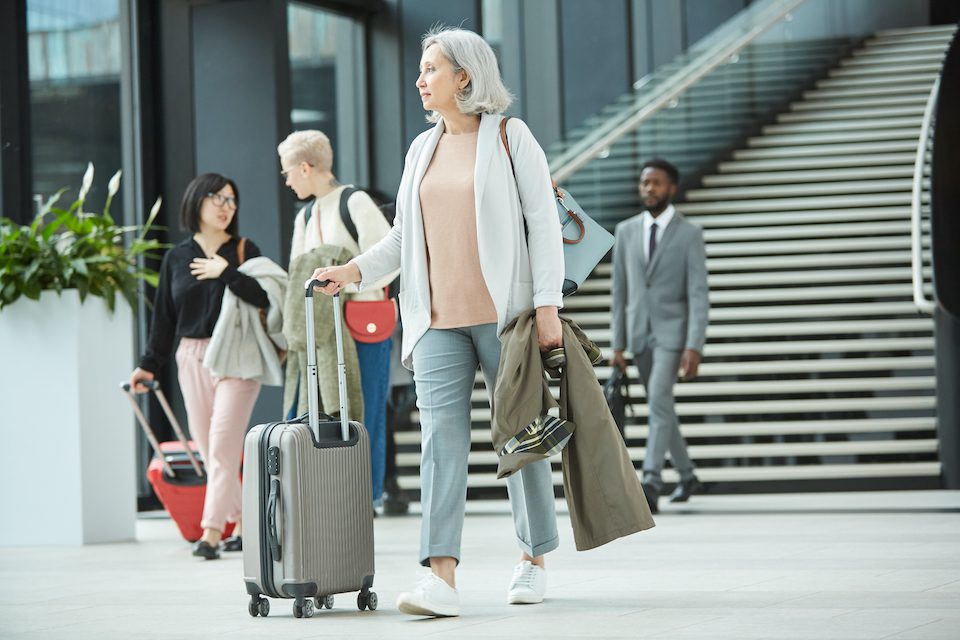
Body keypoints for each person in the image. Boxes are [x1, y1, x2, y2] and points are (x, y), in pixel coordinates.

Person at [311, 26, 565, 617]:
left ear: (465, 77)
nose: (420, 80)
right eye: (422, 70)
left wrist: (548, 305)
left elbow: (544, 225)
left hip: (508, 318)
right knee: (439, 444)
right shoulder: (420, 149)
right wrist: (351, 270)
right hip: (435, 322)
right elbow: (402, 236)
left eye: (431, 69)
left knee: (520, 438)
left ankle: (533, 560)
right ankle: (441, 576)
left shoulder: (510, 137)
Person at [129, 173, 270, 560]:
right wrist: (148, 365)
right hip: (191, 356)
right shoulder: (177, 257)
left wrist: (224, 273)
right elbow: (164, 319)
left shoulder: (243, 249)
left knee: (223, 445)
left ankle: (209, 534)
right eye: (218, 198)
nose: (227, 207)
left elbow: (265, 297)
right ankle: (243, 523)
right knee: (210, 449)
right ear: (197, 202)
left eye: (232, 200)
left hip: (236, 358)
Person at [278, 130, 397, 509]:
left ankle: (363, 500)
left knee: (366, 414)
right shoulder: (305, 214)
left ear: (305, 167)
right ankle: (331, 500)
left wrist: (344, 283)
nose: (286, 180)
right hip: (322, 333)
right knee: (320, 412)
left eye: (287, 172)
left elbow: (390, 263)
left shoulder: (353, 201)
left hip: (359, 324)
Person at [609, 158, 709, 515]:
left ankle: (651, 481)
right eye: (645, 183)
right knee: (662, 405)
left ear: (672, 188)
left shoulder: (689, 233)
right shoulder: (626, 231)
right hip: (638, 334)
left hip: (672, 334)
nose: (649, 189)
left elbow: (699, 294)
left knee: (659, 401)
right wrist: (617, 344)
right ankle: (687, 473)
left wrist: (694, 345)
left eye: (656, 183)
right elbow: (619, 291)